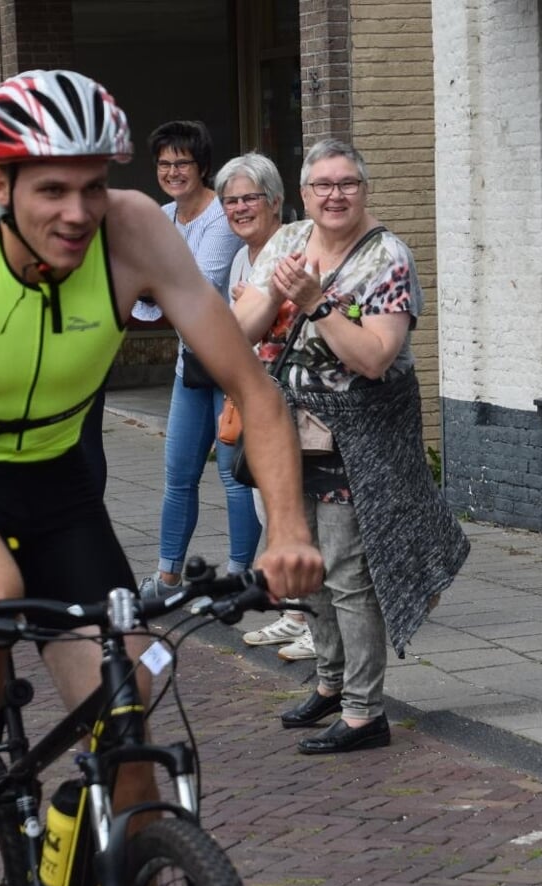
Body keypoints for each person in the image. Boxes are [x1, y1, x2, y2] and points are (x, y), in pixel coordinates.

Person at [0, 69, 321, 886]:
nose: (77, 211)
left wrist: (286, 531)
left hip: (58, 488)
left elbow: (255, 388)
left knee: (133, 737)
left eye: (93, 186)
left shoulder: (134, 234)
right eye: (51, 189)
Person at [234, 139, 470, 755]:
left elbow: (374, 358)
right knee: (305, 567)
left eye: (346, 184)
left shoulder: (387, 257)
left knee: (346, 571)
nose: (334, 196)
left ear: (364, 190)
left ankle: (367, 713)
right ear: (304, 193)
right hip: (291, 431)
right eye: (322, 186)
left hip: (360, 437)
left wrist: (315, 303)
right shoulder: (287, 243)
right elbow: (244, 330)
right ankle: (331, 683)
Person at [133, 121, 260, 604]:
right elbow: (145, 300)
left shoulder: (222, 218)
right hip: (191, 364)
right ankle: (167, 578)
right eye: (164, 164)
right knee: (178, 474)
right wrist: (155, 282)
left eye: (182, 162)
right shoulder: (161, 218)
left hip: (229, 365)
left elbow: (201, 286)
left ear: (201, 166)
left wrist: (152, 277)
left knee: (232, 475)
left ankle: (238, 576)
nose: (173, 172)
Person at [218, 152, 317, 662]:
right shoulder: (242, 257)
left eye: (249, 198)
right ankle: (296, 612)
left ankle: (316, 623)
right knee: (265, 502)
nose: (239, 209)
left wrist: (264, 307)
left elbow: (310, 314)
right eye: (230, 201)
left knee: (297, 506)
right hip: (259, 393)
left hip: (298, 398)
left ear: (277, 201)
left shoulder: (296, 248)